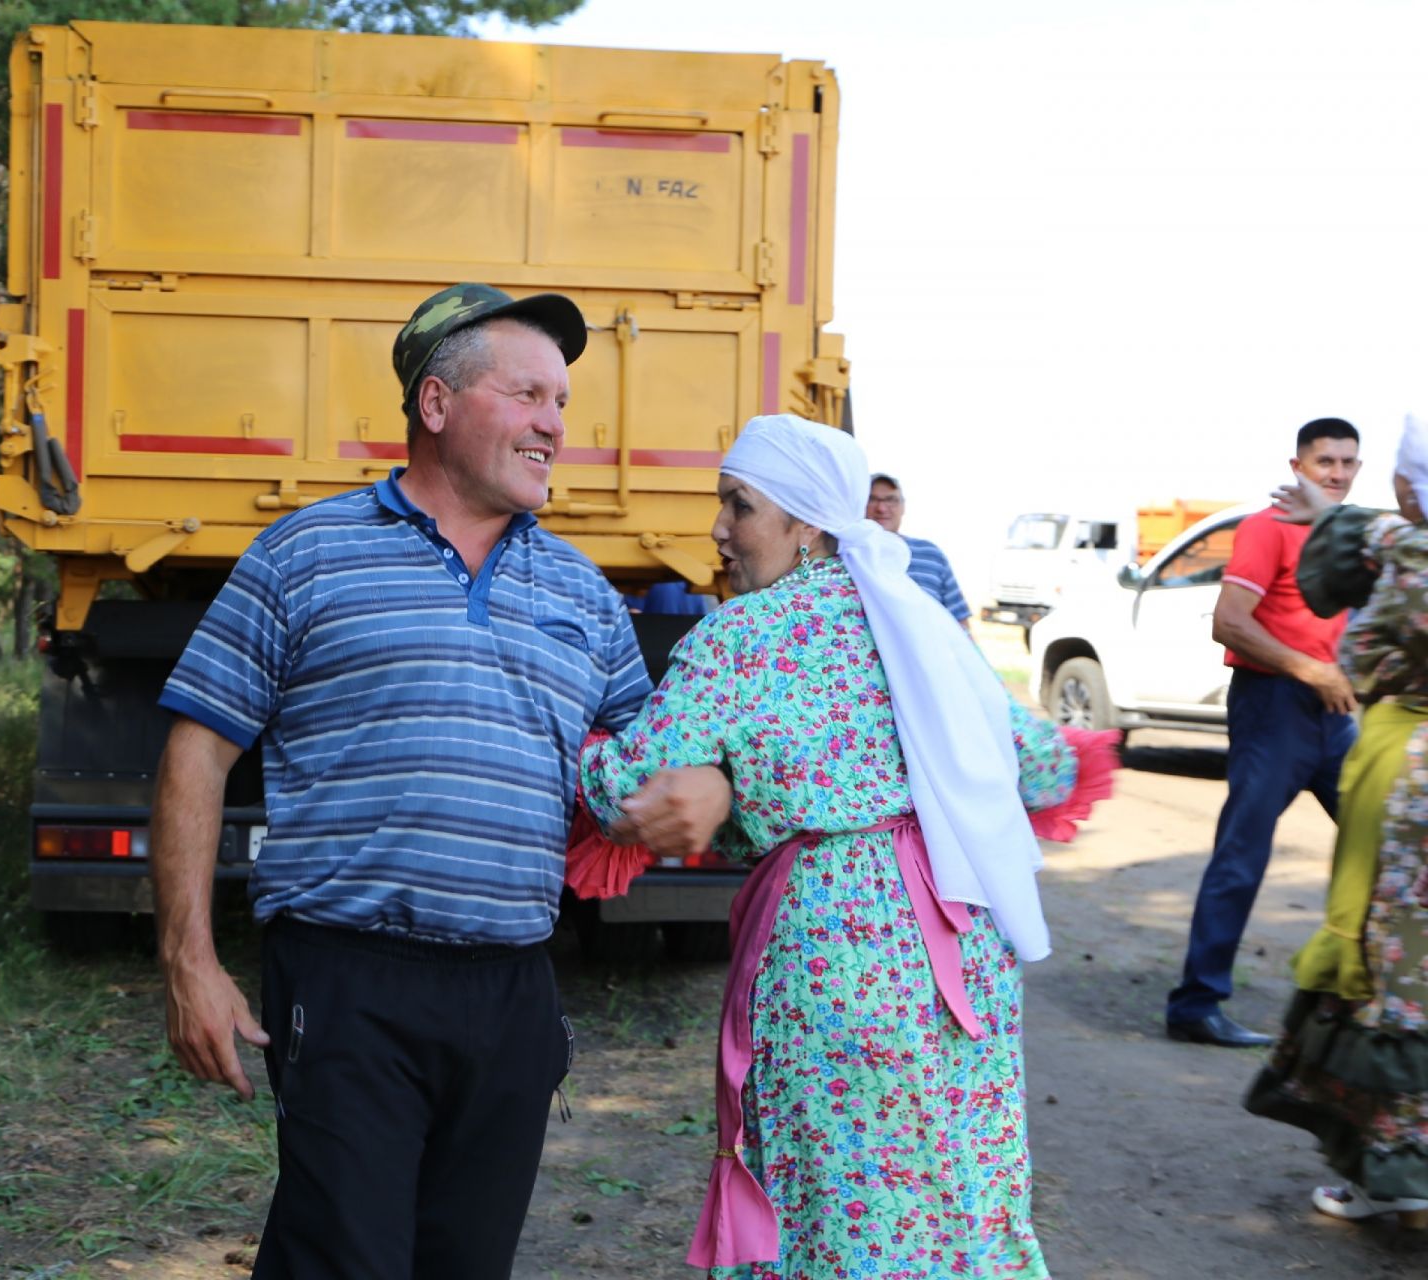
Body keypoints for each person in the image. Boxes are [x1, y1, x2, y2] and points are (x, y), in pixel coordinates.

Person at [148, 282, 730, 1280]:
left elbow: (656, 754)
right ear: (436, 403)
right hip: (347, 977)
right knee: (344, 1257)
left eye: (563, 402)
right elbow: (197, 748)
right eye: (529, 393)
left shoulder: (583, 593)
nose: (556, 422)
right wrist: (189, 959)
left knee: (464, 1261)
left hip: (510, 992)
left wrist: (707, 787)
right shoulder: (307, 554)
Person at [578, 416, 1113, 1278]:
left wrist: (581, 743)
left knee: (838, 1186)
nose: (718, 529)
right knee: (954, 1178)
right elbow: (1046, 767)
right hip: (957, 937)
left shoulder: (739, 639)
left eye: (738, 506)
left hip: (831, 942)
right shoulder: (920, 628)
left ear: (807, 524)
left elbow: (628, 794)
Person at [1243, 420, 1428, 1227]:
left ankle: (1394, 1171)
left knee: (1384, 962)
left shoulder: (1410, 558)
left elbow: (1360, 596)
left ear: (1408, 483)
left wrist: (1326, 513)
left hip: (1409, 780)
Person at [1166, 417, 1362, 1047]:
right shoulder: (1265, 529)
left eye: (1348, 462)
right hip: (1274, 704)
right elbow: (1228, 622)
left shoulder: (1346, 536)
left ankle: (1369, 1000)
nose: (1337, 473)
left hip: (1335, 711)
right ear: (1297, 466)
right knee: (1242, 855)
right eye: (1325, 461)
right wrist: (1310, 669)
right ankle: (1196, 1005)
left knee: (1383, 844)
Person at [865, 471, 971, 629]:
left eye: (891, 500)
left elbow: (960, 621)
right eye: (872, 499)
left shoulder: (931, 554)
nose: (881, 508)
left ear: (903, 507)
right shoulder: (848, 556)